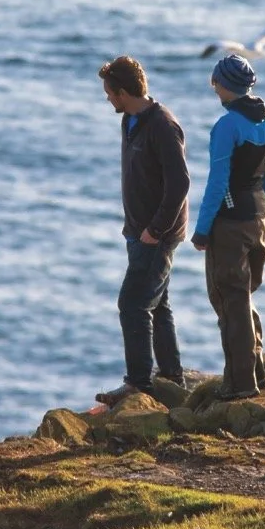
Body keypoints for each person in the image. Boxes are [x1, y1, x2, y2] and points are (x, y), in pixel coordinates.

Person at [95, 55, 190, 404]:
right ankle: (171, 378)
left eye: (109, 93)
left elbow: (180, 183)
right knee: (158, 304)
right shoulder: (130, 120)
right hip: (138, 231)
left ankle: (139, 384)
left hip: (157, 234)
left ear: (123, 91)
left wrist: (156, 228)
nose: (107, 99)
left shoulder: (163, 124)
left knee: (133, 304)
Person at [191, 54, 265, 401]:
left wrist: (201, 230)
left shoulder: (227, 126)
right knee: (243, 295)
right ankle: (257, 370)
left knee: (229, 299)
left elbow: (218, 182)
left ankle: (242, 384)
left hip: (230, 221)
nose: (213, 86)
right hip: (259, 216)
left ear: (222, 85)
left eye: (215, 81)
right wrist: (263, 207)